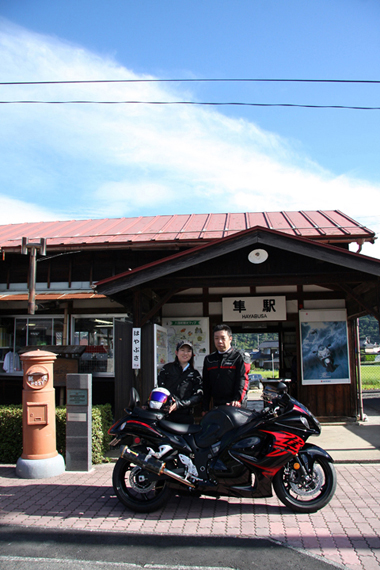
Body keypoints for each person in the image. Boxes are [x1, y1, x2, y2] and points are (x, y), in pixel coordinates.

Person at [202, 324, 250, 414]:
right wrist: (205, 407)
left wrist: (237, 399)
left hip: (235, 405)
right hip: (217, 404)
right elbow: (206, 385)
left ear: (230, 338)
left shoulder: (239, 357)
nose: (219, 341)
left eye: (223, 338)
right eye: (216, 338)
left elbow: (243, 380)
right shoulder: (209, 359)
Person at [157, 340, 203, 424]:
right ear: (176, 352)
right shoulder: (167, 369)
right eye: (182, 350)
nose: (185, 353)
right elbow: (160, 389)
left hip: (186, 416)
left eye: (188, 351)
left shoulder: (195, 374)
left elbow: (198, 396)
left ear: (192, 354)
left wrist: (179, 405)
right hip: (166, 415)